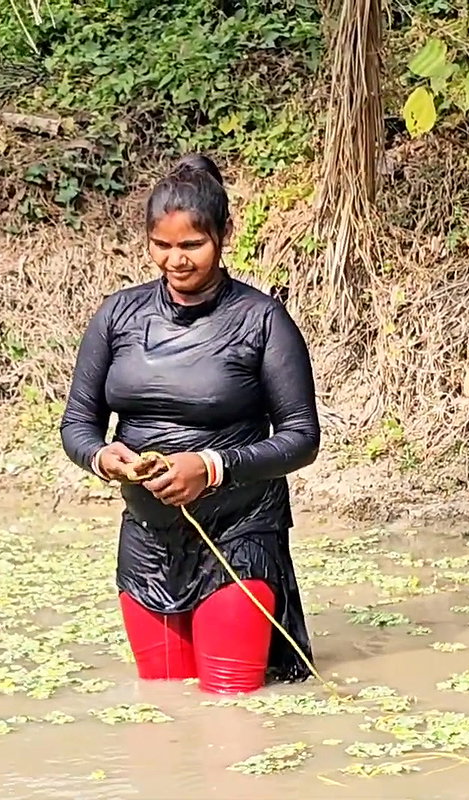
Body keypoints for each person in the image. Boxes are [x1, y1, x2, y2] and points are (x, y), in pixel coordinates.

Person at [59, 153, 322, 696]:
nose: (175, 261)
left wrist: (210, 466)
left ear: (224, 235)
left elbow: (301, 438)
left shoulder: (261, 319)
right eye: (162, 245)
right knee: (162, 703)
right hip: (148, 539)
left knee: (231, 707)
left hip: (238, 533)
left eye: (191, 246)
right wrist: (103, 457)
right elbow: (78, 425)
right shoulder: (117, 315)